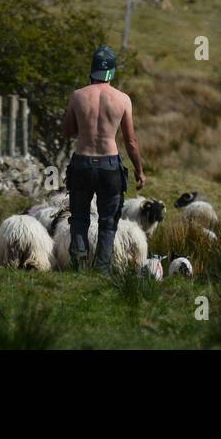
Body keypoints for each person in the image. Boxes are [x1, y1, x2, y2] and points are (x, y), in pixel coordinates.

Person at [60, 45, 145, 273]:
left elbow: (67, 131)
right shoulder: (123, 99)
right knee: (108, 222)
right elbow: (131, 142)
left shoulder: (78, 96)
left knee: (79, 217)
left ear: (92, 70)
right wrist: (139, 171)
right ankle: (102, 270)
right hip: (109, 165)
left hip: (83, 163)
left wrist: (83, 121)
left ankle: (78, 264)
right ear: (112, 72)